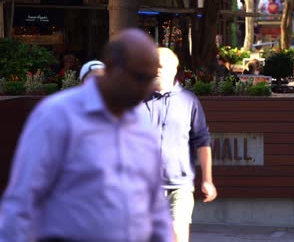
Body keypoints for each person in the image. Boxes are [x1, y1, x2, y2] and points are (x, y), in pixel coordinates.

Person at [0, 29, 173, 241]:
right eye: (137, 77)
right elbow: (22, 201)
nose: (144, 88)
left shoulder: (142, 124)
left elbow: (155, 204)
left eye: (149, 78)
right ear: (110, 66)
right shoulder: (57, 115)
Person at [146, 47, 217, 242]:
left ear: (173, 70)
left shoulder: (188, 101)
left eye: (160, 66)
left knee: (178, 233)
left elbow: (202, 141)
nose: (156, 70)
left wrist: (207, 179)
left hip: (180, 184)